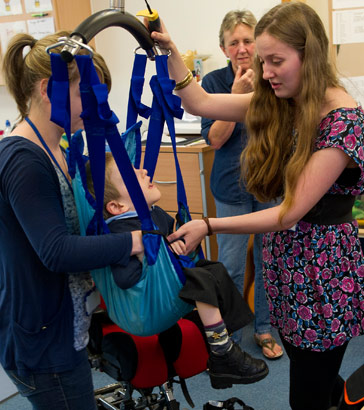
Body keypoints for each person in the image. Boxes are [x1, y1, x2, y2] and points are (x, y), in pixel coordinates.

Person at [148, 3, 364, 409]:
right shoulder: (285, 102)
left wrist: (209, 225)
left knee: (308, 390)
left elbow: (290, 212)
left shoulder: (343, 122)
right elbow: (197, 103)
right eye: (264, 61)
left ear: (310, 54)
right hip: (290, 263)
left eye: (276, 60)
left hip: (322, 274)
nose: (265, 72)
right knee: (313, 372)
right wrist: (170, 51)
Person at [0, 32, 144, 410]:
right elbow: (56, 251)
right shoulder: (24, 159)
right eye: (89, 95)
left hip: (63, 328)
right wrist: (134, 241)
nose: (98, 107)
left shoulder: (58, 148)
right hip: (45, 344)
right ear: (50, 89)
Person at [85, 152, 269, 389]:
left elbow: (171, 240)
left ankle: (224, 337)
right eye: (132, 175)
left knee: (213, 269)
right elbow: (124, 278)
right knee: (202, 278)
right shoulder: (120, 233)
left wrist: (178, 246)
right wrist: (150, 255)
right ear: (117, 206)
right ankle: (222, 351)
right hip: (145, 306)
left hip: (168, 291)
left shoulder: (154, 214)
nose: (143, 171)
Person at [201, 9, 282, 359]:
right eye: (234, 42)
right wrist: (235, 94)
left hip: (269, 185)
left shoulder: (272, 76)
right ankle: (230, 336)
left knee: (268, 262)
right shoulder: (214, 84)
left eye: (248, 40)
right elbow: (215, 140)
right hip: (231, 189)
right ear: (224, 49)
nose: (242, 48)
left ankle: (263, 329)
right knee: (232, 266)